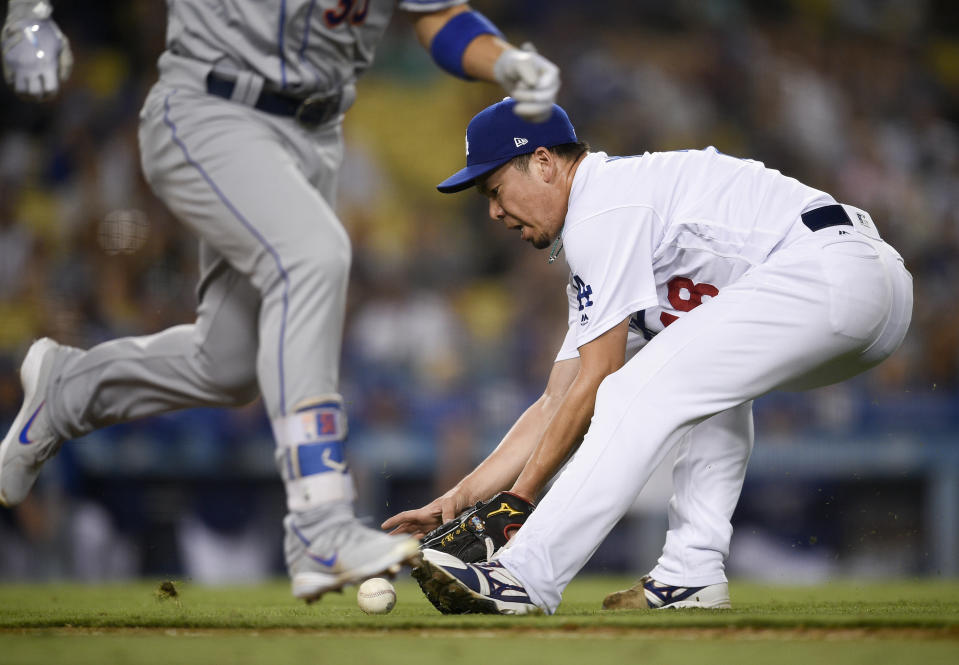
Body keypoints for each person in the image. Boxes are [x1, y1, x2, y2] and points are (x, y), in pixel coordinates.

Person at [0, 0, 560, 602]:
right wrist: (26, 15)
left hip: (313, 136)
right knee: (313, 254)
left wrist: (504, 60)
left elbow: (437, 15)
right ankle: (319, 524)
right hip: (212, 106)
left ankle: (70, 387)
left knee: (229, 364)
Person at [383, 98, 913, 615]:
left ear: (544, 163)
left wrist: (519, 500)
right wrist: (464, 494)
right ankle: (691, 573)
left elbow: (598, 381)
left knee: (632, 390)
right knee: (701, 389)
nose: (494, 210)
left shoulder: (603, 207)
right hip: (865, 290)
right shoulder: (606, 226)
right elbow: (556, 401)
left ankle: (525, 574)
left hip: (828, 270)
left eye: (495, 188)